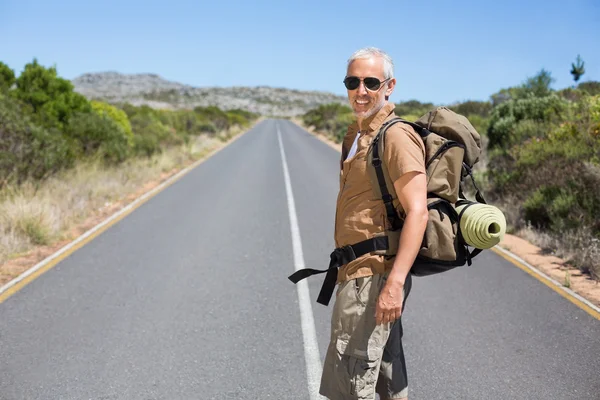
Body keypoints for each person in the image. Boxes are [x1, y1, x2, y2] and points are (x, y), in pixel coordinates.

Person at [319, 47, 428, 400]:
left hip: (373, 277)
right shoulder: (355, 136)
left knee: (351, 382)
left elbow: (418, 211)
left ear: (389, 86)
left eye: (370, 82)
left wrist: (394, 284)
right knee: (385, 375)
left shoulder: (396, 137)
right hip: (354, 272)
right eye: (353, 81)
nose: (361, 90)